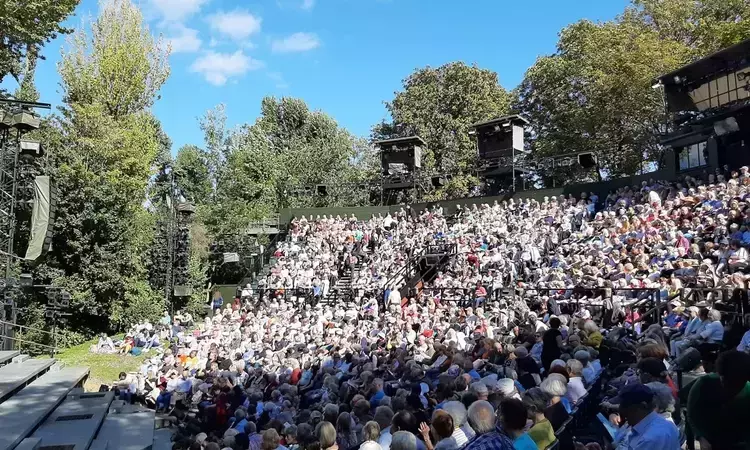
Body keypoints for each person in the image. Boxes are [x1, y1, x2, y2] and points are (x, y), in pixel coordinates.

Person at [687, 351, 750, 449]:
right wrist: (700, 437)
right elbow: (691, 414)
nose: (730, 387)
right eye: (724, 380)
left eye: (737, 384)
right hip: (709, 440)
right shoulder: (703, 384)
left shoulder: (748, 390)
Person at [616, 383, 679, 450]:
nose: (621, 410)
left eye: (625, 406)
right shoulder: (665, 424)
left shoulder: (650, 438)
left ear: (643, 406)